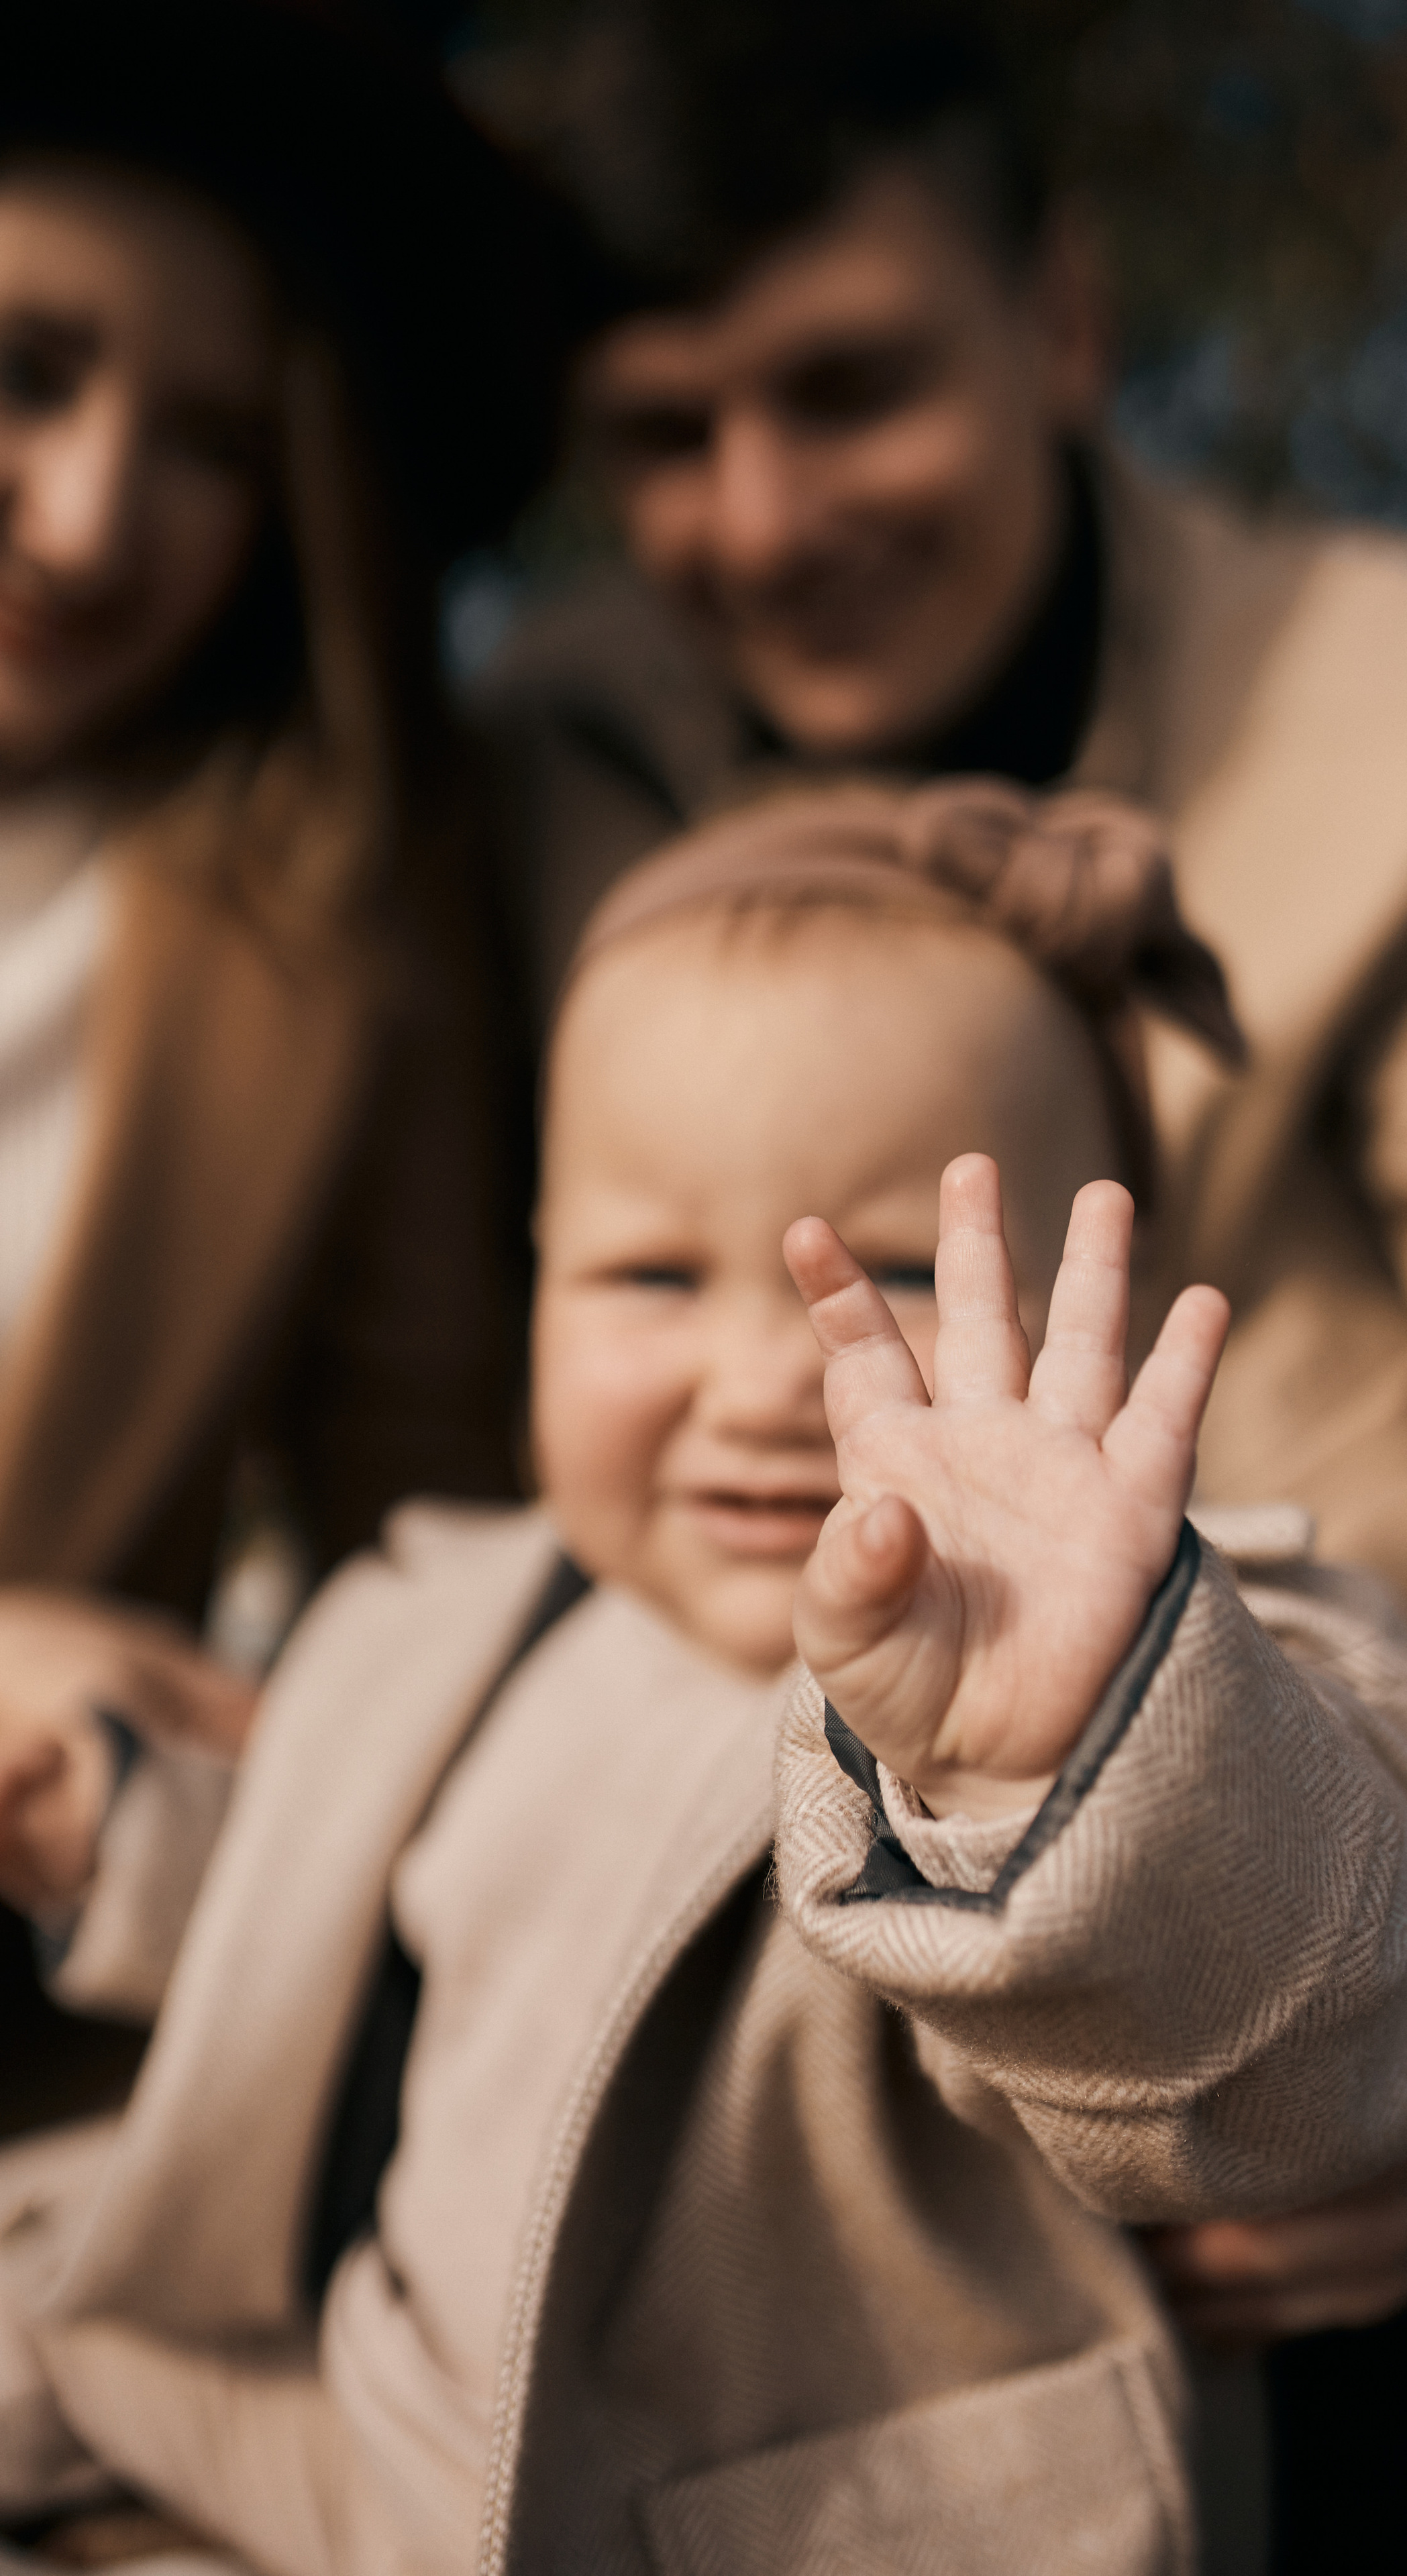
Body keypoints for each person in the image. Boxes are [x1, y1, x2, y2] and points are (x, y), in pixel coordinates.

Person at [466, 3, 1407, 2558]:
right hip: (760, 1889)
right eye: (664, 441)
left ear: (1058, 320)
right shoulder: (555, 754)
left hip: (1405, 1816)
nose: (765, 511)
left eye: (851, 388)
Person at [0, 779, 1407, 2574]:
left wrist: (1066, 1750)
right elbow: (367, 1914)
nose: (760, 1376)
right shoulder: (465, 1607)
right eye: (648, 1273)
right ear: (532, 1277)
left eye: (901, 1270)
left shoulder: (1168, 1651)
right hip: (333, 2438)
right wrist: (128, 1834)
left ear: (1107, 1322)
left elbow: (1335, 1974)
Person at [0, 0, 565, 2124]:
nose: (85, 520)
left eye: (214, 441)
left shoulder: (331, 937)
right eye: (23, 373)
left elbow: (427, 1572)